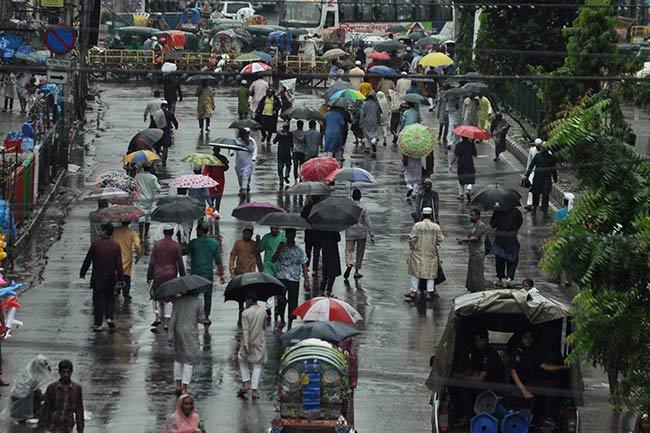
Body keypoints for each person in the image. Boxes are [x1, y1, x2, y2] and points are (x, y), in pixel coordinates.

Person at [509, 329, 571, 428]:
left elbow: (544, 366)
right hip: (522, 385)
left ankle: (544, 418)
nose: (528, 340)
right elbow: (513, 372)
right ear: (521, 339)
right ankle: (545, 417)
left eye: (530, 337)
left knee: (553, 385)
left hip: (532, 383)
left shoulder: (532, 351)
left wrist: (562, 367)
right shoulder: (517, 351)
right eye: (525, 338)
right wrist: (524, 391)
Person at [451, 329, 505, 424]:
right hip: (484, 383)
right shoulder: (477, 352)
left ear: (486, 340)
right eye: (475, 341)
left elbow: (480, 379)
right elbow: (471, 369)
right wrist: (457, 376)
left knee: (464, 389)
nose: (477, 343)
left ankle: (467, 416)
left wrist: (460, 378)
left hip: (493, 386)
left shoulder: (490, 355)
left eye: (479, 340)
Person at [80, 223, 124, 332]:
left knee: (98, 300)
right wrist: (121, 279)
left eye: (101, 230)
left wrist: (83, 272)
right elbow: (119, 264)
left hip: (98, 277)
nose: (99, 232)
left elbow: (87, 260)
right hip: (110, 277)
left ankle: (98, 324)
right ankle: (109, 318)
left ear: (104, 232)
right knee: (109, 298)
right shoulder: (116, 246)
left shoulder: (96, 245)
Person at [148, 224, 186, 331]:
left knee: (156, 295)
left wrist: (149, 275)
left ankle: (157, 316)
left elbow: (152, 262)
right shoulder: (176, 245)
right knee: (169, 298)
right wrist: (183, 276)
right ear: (172, 232)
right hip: (171, 274)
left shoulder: (157, 245)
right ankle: (167, 322)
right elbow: (180, 263)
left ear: (164, 232)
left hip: (158, 274)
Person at [187, 222, 225, 327]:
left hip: (196, 275)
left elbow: (184, 251)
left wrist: (181, 241)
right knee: (208, 297)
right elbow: (218, 261)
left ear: (199, 230)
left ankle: (194, 315)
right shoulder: (214, 243)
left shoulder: (194, 243)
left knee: (194, 297)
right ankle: (206, 317)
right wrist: (221, 275)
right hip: (208, 275)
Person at [168, 287, 205, 395]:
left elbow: (173, 319)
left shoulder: (177, 301)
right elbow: (201, 319)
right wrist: (205, 318)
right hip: (191, 333)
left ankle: (178, 385)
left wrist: (170, 336)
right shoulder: (198, 302)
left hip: (178, 332)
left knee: (179, 358)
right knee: (189, 360)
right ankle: (185, 387)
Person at [272, 228, 309, 331]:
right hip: (281, 276)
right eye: (288, 235)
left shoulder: (299, 249)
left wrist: (306, 280)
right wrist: (278, 249)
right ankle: (282, 319)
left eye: (292, 235)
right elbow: (273, 259)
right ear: (286, 235)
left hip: (294, 279)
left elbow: (304, 264)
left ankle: (290, 322)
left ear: (294, 235)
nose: (290, 237)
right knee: (281, 299)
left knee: (293, 302)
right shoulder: (281, 247)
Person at [405, 207, 444, 301]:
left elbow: (411, 238)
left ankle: (414, 291)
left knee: (415, 272)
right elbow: (440, 239)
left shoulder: (417, 226)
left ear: (422, 215)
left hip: (418, 252)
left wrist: (412, 247)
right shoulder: (435, 227)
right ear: (430, 216)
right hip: (431, 252)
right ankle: (429, 293)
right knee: (430, 273)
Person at [237, 291, 268, 400]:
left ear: (250, 300)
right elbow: (264, 326)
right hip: (259, 341)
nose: (245, 302)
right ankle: (254, 391)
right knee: (257, 365)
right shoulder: (263, 312)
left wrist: (246, 344)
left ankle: (246, 382)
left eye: (246, 300)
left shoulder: (245, 313)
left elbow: (245, 330)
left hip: (248, 341)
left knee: (241, 358)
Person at [39, 360, 84, 433]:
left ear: (71, 372)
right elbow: (45, 409)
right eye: (63, 372)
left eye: (68, 372)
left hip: (67, 428)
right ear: (59, 372)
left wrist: (80, 429)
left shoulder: (77, 389)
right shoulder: (52, 388)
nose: (66, 375)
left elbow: (79, 411)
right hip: (52, 427)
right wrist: (40, 427)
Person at [8, 355, 51, 423]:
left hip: (18, 397)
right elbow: (32, 393)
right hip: (22, 400)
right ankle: (29, 414)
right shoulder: (32, 378)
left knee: (39, 395)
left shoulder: (29, 371)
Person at [344, 189, 374, 280]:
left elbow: (344, 219)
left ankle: (349, 263)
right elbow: (368, 222)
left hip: (350, 232)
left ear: (352, 196)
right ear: (360, 197)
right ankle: (356, 271)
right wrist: (372, 234)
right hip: (361, 233)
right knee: (360, 252)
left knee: (349, 251)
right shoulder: (363, 208)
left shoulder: (348, 207)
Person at [256, 227, 286, 318]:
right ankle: (268, 307)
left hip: (280, 266)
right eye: (271, 228)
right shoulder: (266, 237)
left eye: (275, 228)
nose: (273, 230)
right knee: (269, 285)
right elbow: (259, 249)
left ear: (278, 228)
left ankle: (277, 305)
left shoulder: (283, 237)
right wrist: (258, 241)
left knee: (278, 286)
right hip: (268, 265)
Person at [490, 206, 523, 287]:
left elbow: (492, 224)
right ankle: (509, 278)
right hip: (511, 238)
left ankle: (500, 278)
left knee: (499, 259)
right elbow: (520, 223)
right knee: (512, 259)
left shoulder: (497, 211)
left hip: (499, 238)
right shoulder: (516, 212)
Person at [457, 209, 487, 293]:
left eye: (473, 215)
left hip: (478, 253)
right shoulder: (470, 226)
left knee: (478, 273)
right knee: (471, 271)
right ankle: (472, 288)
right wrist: (462, 239)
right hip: (472, 252)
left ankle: (479, 289)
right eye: (470, 215)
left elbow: (475, 238)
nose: (471, 217)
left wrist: (464, 239)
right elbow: (468, 236)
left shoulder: (481, 225)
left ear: (478, 216)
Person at [110, 221, 142, 303]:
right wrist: (138, 256)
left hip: (114, 258)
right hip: (127, 259)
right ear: (129, 222)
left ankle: (115, 290)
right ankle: (126, 294)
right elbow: (137, 246)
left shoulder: (114, 231)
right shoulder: (132, 232)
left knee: (115, 275)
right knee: (126, 277)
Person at [524, 143, 558, 218]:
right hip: (537, 179)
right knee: (535, 194)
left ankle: (545, 211)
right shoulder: (537, 156)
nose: (542, 149)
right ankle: (534, 208)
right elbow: (531, 166)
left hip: (546, 180)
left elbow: (553, 170)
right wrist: (526, 175)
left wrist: (555, 178)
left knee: (545, 196)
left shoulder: (551, 158)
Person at [134, 164, 161, 241]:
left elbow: (134, 186)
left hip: (140, 198)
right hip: (149, 198)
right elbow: (158, 188)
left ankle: (141, 235)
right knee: (148, 216)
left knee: (141, 216)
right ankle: (145, 235)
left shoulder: (137, 176)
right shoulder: (152, 177)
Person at [202, 146, 229, 211]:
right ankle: (216, 213)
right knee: (218, 198)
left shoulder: (210, 159)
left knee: (212, 199)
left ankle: (212, 214)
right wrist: (225, 164)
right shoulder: (222, 158)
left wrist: (202, 178)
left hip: (213, 181)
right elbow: (226, 168)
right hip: (219, 181)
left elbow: (205, 171)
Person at [301, 195, 322, 273]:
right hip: (318, 232)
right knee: (316, 251)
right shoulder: (321, 208)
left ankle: (307, 266)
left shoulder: (308, 207)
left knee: (308, 250)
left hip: (308, 231)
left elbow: (302, 216)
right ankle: (315, 269)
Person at [154, 101, 179, 166]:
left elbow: (153, 122)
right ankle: (164, 161)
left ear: (161, 106)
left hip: (157, 133)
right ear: (167, 106)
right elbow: (175, 121)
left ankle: (157, 158)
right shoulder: (169, 113)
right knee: (165, 147)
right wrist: (176, 126)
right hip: (166, 133)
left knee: (157, 147)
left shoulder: (157, 113)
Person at [235, 128, 258, 196]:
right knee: (240, 176)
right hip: (239, 162)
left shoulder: (251, 141)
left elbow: (254, 150)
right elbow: (233, 148)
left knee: (246, 175)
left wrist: (253, 158)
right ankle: (242, 187)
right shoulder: (237, 141)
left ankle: (244, 189)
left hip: (248, 162)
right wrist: (232, 152)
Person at [523, 138, 543, 210]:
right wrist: (526, 173)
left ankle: (539, 203)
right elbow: (529, 162)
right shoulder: (532, 150)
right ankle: (529, 203)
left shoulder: (546, 151)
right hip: (533, 171)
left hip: (541, 172)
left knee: (540, 188)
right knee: (531, 187)